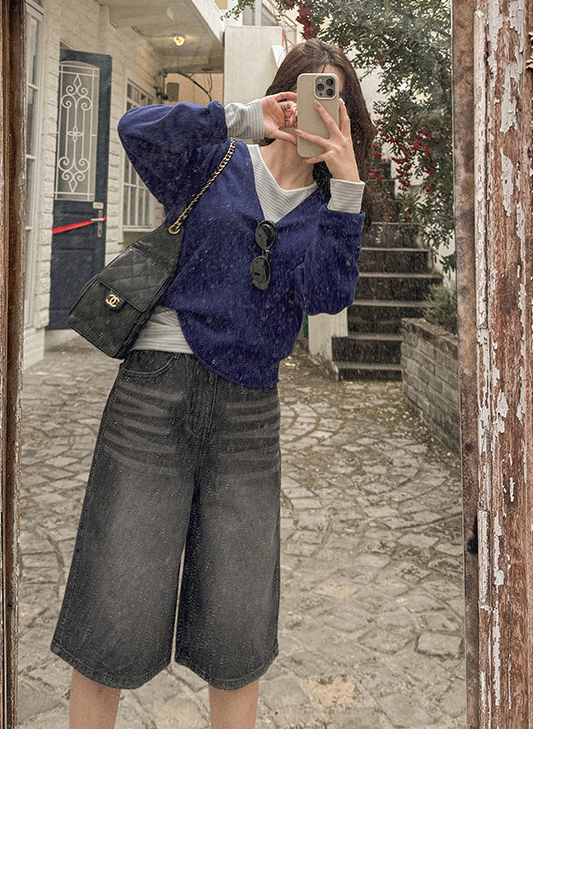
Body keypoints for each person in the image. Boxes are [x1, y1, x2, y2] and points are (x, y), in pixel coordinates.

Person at [51, 40, 374, 729]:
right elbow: (135, 130)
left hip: (247, 417)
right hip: (154, 396)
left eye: (335, 103)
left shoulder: (330, 209)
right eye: (310, 94)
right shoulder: (219, 160)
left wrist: (347, 185)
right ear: (287, 95)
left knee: (238, 626)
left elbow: (327, 296)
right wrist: (244, 116)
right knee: (112, 607)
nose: (320, 112)